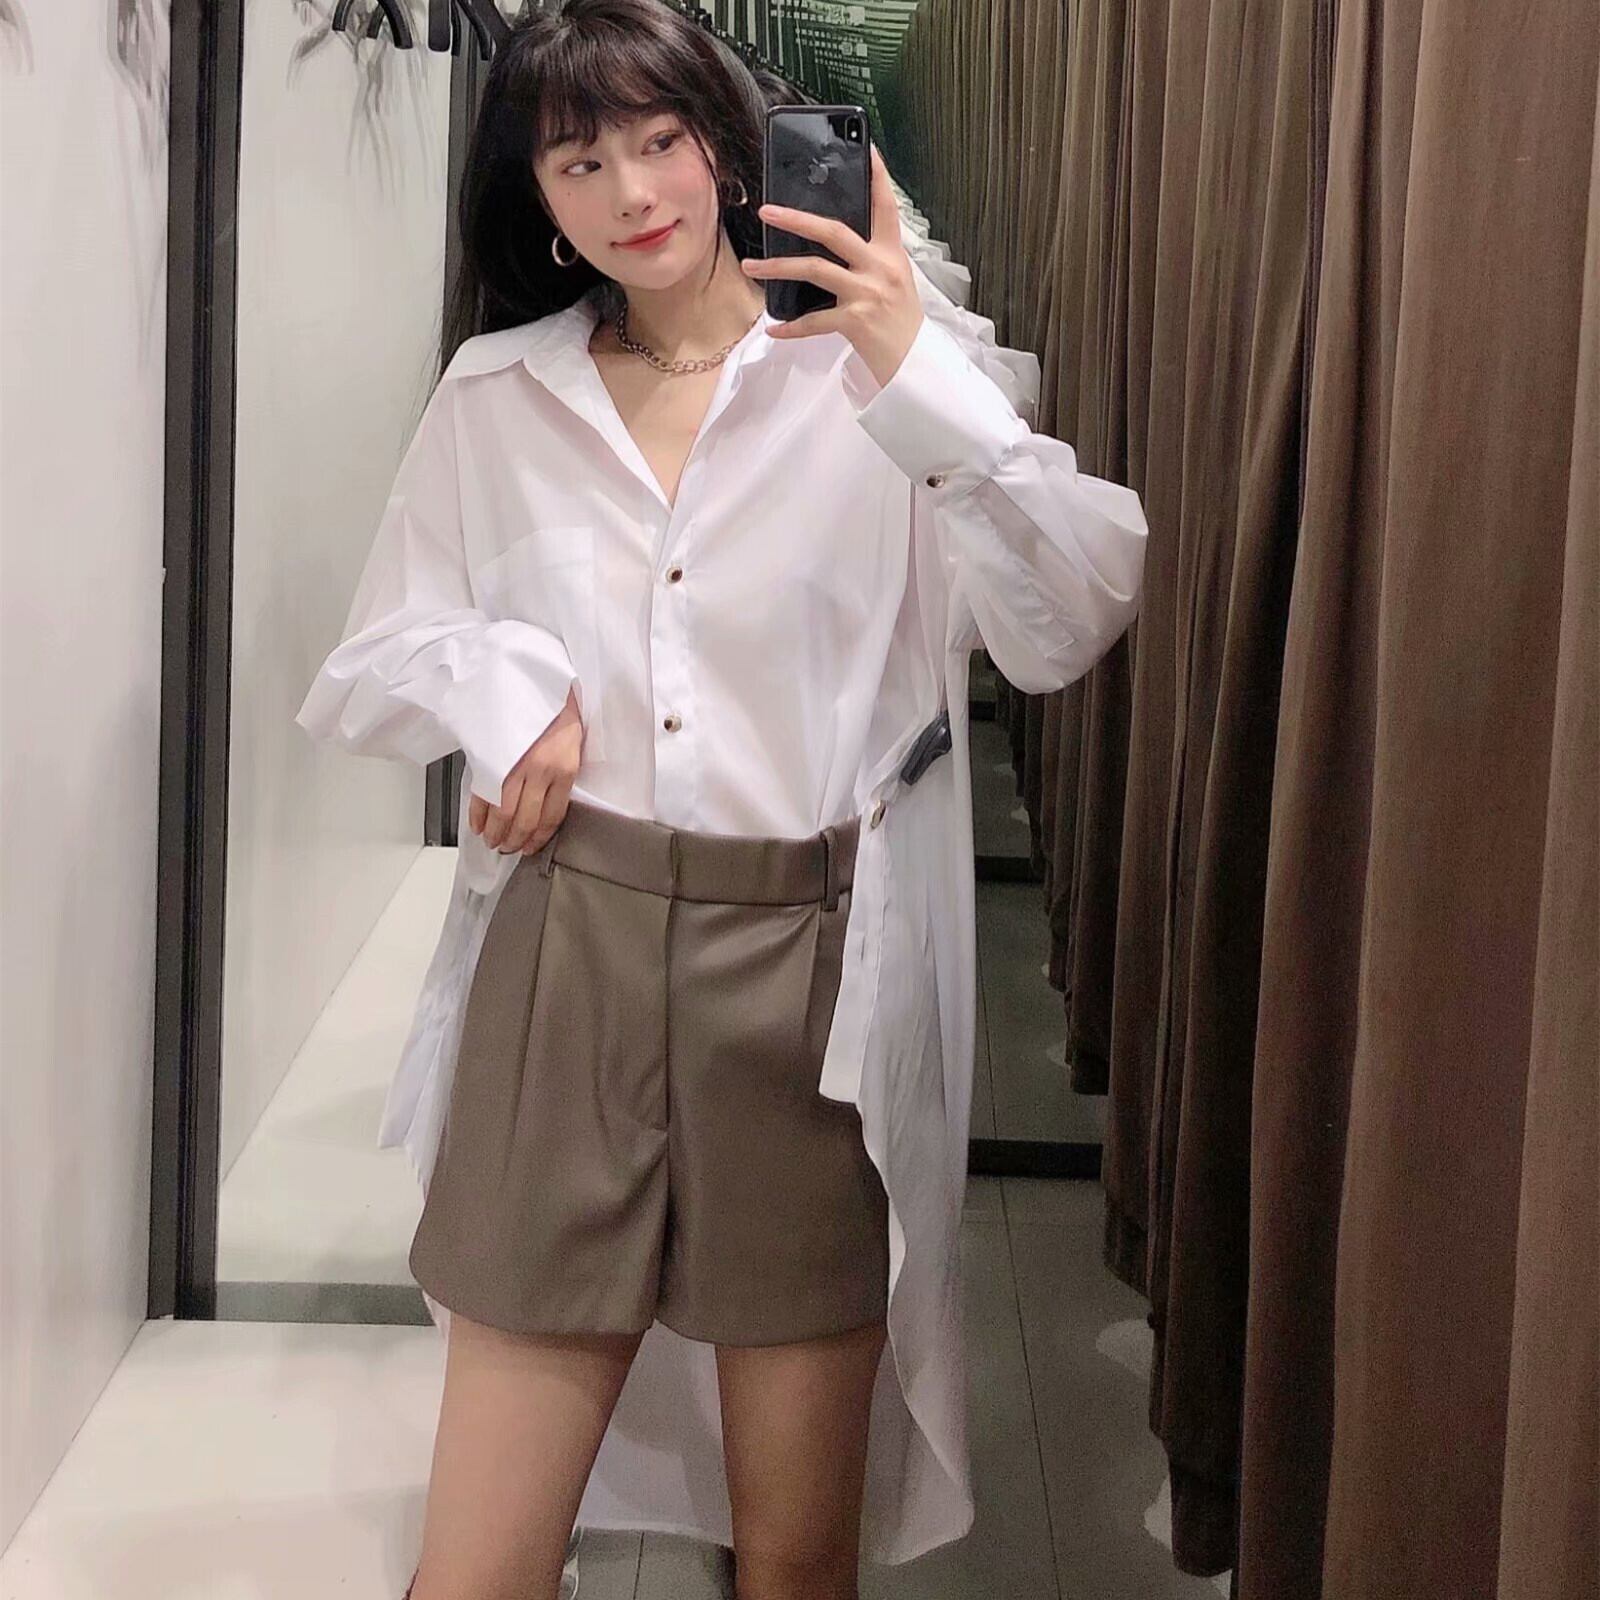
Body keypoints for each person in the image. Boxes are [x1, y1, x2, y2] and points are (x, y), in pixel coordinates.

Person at [293, 3, 1148, 1597]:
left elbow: (1074, 612)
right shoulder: (499, 395)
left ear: (728, 144)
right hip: (568, 956)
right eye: (579, 160)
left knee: (796, 1555)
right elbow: (373, 659)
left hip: (805, 984)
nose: (631, 191)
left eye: (660, 140)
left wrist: (911, 369)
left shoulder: (880, 384)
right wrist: (506, 686)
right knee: (473, 1566)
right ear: (535, 197)